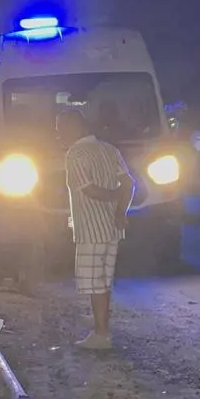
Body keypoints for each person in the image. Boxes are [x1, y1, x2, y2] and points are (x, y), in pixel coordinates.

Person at [59, 109, 134, 350]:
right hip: (112, 227)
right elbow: (129, 183)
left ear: (75, 128)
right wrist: (121, 210)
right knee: (104, 280)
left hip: (91, 229)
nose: (59, 134)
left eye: (61, 128)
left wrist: (113, 196)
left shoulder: (75, 154)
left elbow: (89, 190)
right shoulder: (109, 149)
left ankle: (101, 334)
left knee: (95, 282)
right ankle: (100, 321)